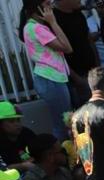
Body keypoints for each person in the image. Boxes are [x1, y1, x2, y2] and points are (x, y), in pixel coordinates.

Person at [20, 0, 73, 139]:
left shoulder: (33, 26)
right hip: (51, 79)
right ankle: (64, 156)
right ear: (36, 7)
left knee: (63, 122)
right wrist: (53, 22)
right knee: (63, 123)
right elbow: (67, 48)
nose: (51, 7)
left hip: (51, 78)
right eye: (47, 4)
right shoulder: (36, 28)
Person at [52, 0, 98, 106]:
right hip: (74, 77)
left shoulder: (79, 14)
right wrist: (76, 78)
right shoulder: (53, 19)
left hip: (92, 71)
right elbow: (57, 53)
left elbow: (88, 39)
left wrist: (97, 65)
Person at [0, 103, 36, 171]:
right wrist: (22, 166)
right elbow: (2, 169)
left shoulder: (26, 132)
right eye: (11, 121)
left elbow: (41, 150)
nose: (17, 124)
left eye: (18, 120)